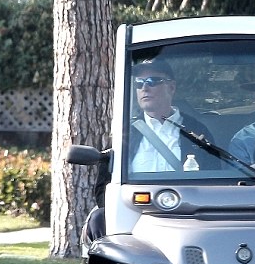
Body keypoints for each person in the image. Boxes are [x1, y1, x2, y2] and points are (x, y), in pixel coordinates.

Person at [86, 57, 219, 242]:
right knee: (99, 218)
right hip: (134, 217)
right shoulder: (124, 134)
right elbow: (103, 187)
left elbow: (214, 178)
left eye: (153, 81)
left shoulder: (197, 131)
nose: (144, 88)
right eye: (139, 83)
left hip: (186, 217)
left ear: (171, 88)